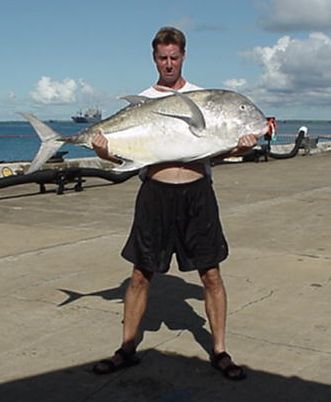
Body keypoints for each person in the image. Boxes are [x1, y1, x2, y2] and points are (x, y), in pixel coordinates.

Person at [91, 27, 258, 380]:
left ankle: (220, 351)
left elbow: (220, 148)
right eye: (163, 58)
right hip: (155, 193)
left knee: (211, 273)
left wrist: (239, 146)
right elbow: (120, 157)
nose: (169, 64)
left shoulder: (204, 98)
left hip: (198, 193)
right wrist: (104, 151)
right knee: (140, 275)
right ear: (155, 58)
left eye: (174, 57)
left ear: (183, 56)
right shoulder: (145, 100)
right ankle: (126, 349)